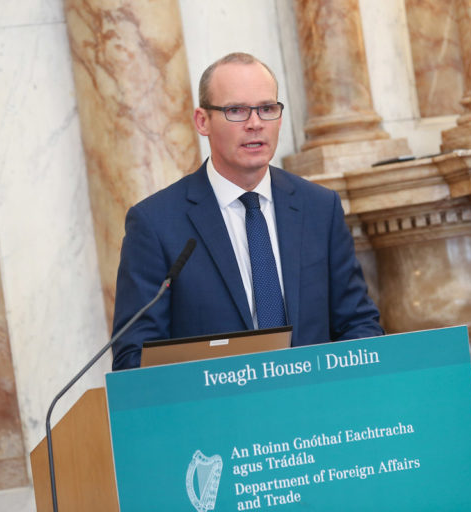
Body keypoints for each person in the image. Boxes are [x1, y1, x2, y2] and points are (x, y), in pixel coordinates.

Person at [111, 52, 383, 370]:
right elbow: (134, 358)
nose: (255, 124)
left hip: (313, 397)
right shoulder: (156, 223)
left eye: (267, 109)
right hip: (215, 400)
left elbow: (359, 324)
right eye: (236, 111)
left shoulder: (319, 208)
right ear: (202, 121)